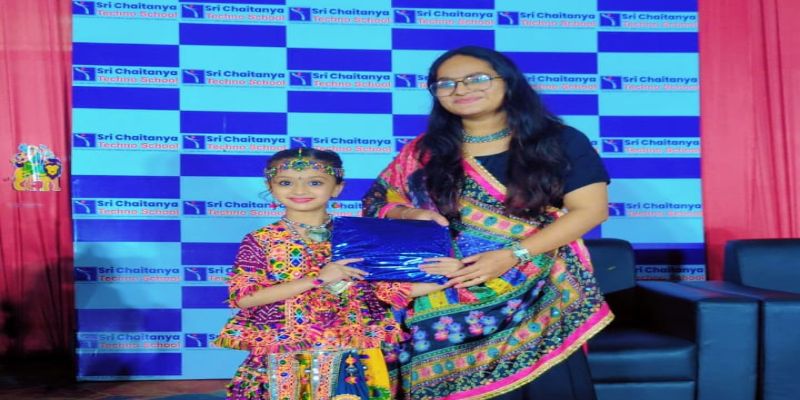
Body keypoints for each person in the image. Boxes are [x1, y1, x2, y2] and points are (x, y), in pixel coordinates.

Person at [362, 46, 614, 399]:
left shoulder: (558, 141)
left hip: (535, 290)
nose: (461, 89)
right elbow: (377, 202)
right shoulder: (423, 152)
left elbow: (590, 210)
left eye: (476, 79)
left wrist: (513, 255)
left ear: (508, 82)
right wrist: (410, 213)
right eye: (446, 83)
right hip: (443, 288)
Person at [214, 148, 447, 399]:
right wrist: (319, 279)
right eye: (285, 182)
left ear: (337, 188)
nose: (300, 190)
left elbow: (388, 290)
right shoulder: (261, 240)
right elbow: (245, 298)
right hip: (285, 354)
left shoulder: (359, 235)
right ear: (270, 187)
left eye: (315, 182)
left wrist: (446, 276)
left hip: (352, 354)